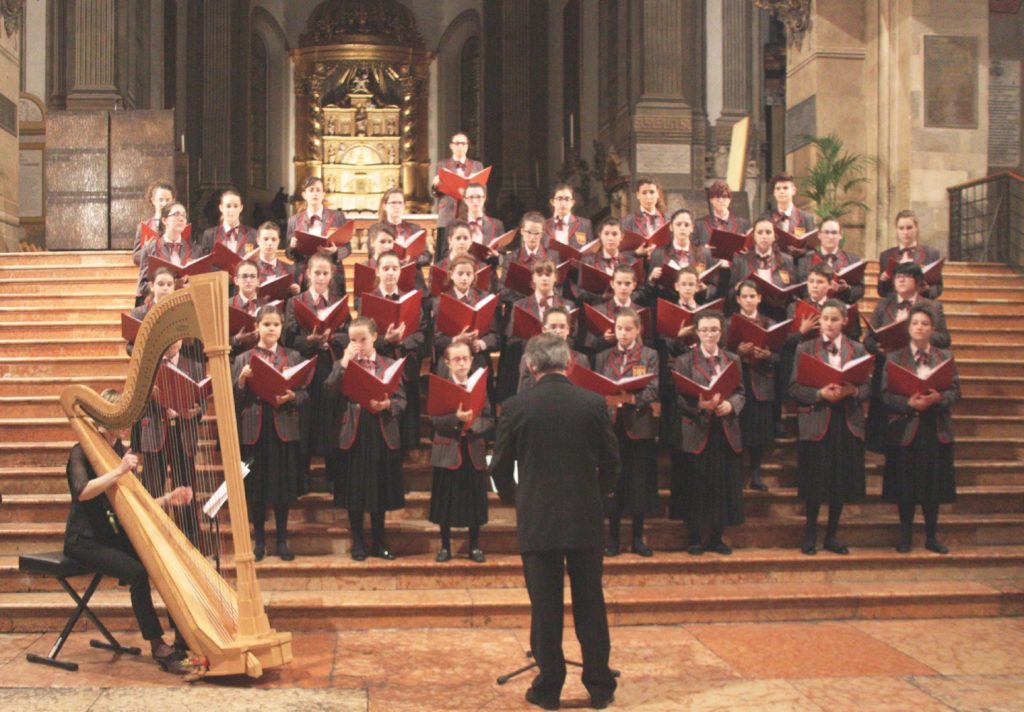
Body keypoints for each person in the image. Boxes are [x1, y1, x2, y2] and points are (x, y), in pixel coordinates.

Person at [491, 334, 619, 710]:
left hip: (539, 519)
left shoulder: (516, 406)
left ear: (531, 366)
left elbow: (499, 467)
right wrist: (599, 496)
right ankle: (599, 686)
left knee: (544, 607)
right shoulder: (593, 403)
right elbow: (612, 463)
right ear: (569, 364)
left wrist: (515, 499)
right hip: (585, 518)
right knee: (590, 603)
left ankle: (548, 689)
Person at [64, 388, 193, 674]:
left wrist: (167, 498)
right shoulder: (81, 451)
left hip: (111, 535)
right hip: (84, 541)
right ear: (104, 417)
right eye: (121, 417)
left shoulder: (119, 450)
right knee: (137, 572)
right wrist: (119, 470)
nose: (127, 424)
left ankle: (185, 635)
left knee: (162, 558)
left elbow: (132, 501)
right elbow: (82, 491)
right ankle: (158, 644)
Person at [788, 299, 869, 556]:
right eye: (825, 319)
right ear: (819, 320)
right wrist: (820, 393)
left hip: (846, 420)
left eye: (835, 319)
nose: (829, 324)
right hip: (817, 418)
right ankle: (810, 533)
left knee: (840, 480)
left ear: (845, 321)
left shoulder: (857, 349)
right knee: (815, 480)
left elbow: (869, 386)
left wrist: (853, 390)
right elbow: (794, 388)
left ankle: (832, 535)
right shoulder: (805, 348)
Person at [881, 304, 960, 554]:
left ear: (932, 329)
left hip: (935, 427)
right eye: (915, 323)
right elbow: (884, 394)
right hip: (907, 426)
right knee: (906, 485)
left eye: (925, 324)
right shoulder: (895, 357)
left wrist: (939, 398)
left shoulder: (945, 356)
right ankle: (905, 536)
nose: (920, 327)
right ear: (908, 327)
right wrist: (907, 402)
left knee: (933, 485)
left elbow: (956, 391)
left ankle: (931, 536)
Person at [326, 316, 407, 561]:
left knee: (378, 489)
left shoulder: (389, 363)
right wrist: (344, 362)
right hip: (354, 431)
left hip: (380, 429)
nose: (358, 344)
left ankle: (379, 541)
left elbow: (402, 400)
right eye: (353, 340)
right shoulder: (343, 363)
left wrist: (387, 404)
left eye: (363, 339)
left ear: (374, 336)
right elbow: (329, 391)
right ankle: (358, 541)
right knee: (356, 491)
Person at [233, 305, 307, 561]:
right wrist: (242, 382)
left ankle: (282, 540)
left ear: (281, 327)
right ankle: (260, 541)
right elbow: (234, 400)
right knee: (256, 489)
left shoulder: (293, 356)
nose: (271, 329)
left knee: (282, 488)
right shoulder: (243, 359)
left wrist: (293, 396)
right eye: (266, 324)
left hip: (283, 427)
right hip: (255, 429)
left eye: (276, 324)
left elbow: (305, 393)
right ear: (257, 327)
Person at [672, 310, 746, 555]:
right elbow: (679, 398)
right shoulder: (684, 360)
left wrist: (731, 405)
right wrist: (698, 407)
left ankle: (717, 537)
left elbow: (741, 392)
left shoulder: (732, 358)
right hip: (698, 427)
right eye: (704, 330)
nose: (709, 334)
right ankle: (694, 537)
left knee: (722, 484)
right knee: (696, 483)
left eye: (714, 329)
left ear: (721, 331)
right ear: (697, 332)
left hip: (724, 428)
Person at [284, 254, 351, 493]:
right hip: (305, 367)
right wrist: (310, 340)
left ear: (331, 276)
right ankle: (303, 477)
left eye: (325, 273)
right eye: (317, 273)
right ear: (308, 274)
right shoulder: (296, 302)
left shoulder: (337, 300)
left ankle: (333, 477)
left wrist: (331, 338)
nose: (321, 277)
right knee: (304, 421)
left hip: (330, 366)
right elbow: (288, 338)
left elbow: (348, 334)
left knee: (331, 420)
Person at [596, 309, 659, 558]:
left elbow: (653, 388)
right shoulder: (603, 356)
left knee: (637, 482)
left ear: (638, 330)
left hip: (637, 424)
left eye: (628, 329)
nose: (623, 334)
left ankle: (637, 538)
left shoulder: (649, 355)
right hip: (611, 426)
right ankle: (613, 537)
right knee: (613, 482)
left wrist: (632, 397)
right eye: (620, 329)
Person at [429, 341, 494, 563]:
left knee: (475, 499)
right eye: (456, 359)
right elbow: (435, 419)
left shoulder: (479, 386)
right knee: (444, 499)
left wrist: (473, 425)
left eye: (465, 358)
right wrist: (456, 420)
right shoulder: (441, 386)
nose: (462, 363)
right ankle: (445, 545)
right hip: (448, 448)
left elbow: (489, 418)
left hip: (472, 447)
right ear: (447, 363)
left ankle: (475, 545)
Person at [732, 281, 778, 492]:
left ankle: (756, 473)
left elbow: (779, 357)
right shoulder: (730, 322)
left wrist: (768, 356)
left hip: (761, 380)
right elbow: (723, 352)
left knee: (758, 433)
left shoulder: (769, 323)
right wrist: (737, 353)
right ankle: (737, 474)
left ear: (759, 298)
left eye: (752, 296)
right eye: (745, 296)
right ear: (738, 299)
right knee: (739, 429)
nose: (749, 300)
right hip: (737, 383)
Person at [285, 176, 349, 295]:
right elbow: (288, 253)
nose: (315, 193)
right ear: (304, 194)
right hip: (304, 275)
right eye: (311, 190)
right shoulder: (293, 220)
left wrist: (335, 251)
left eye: (318, 190)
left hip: (331, 274)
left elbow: (347, 248)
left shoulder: (337, 217)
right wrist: (292, 246)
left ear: (323, 194)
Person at [646, 208, 719, 304]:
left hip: (697, 305)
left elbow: (714, 287)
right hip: (669, 305)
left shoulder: (705, 253)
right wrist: (651, 280)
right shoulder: (658, 254)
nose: (682, 228)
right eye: (678, 224)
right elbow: (649, 291)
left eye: (686, 225)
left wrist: (705, 289)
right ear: (671, 227)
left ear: (692, 228)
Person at [516, 306, 589, 393]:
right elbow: (523, 392)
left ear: (568, 330)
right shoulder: (528, 358)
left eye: (562, 327)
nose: (558, 331)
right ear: (544, 329)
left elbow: (586, 390)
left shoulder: (581, 359)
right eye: (553, 327)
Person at [877, 209, 943, 300]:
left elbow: (938, 288)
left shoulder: (931, 253)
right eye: (901, 228)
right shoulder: (886, 256)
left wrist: (927, 290)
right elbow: (882, 292)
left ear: (916, 228)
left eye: (909, 228)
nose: (905, 233)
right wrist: (883, 280)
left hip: (922, 305)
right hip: (896, 308)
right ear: (896, 230)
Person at [135, 201, 194, 303]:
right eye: (176, 214)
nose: (181, 219)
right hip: (160, 306)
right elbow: (143, 286)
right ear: (164, 220)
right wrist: (169, 287)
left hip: (186, 304)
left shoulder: (193, 249)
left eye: (184, 216)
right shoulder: (150, 248)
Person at [796, 218, 864, 306]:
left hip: (843, 310)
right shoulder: (805, 261)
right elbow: (801, 290)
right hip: (814, 310)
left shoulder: (853, 260)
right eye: (826, 232)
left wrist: (847, 289)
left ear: (840, 235)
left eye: (834, 232)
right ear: (819, 235)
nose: (830, 236)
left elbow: (860, 291)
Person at [132, 180, 176, 304]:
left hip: (171, 285)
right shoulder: (144, 226)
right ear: (153, 200)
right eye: (161, 199)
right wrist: (147, 249)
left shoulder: (179, 226)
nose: (164, 203)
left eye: (168, 200)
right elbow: (135, 257)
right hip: (148, 288)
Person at [199, 188, 257, 258]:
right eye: (228, 206)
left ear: (241, 208)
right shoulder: (210, 235)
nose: (232, 210)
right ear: (221, 208)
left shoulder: (253, 234)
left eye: (235, 206)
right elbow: (206, 263)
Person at [694, 180, 751, 247]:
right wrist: (704, 249)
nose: (721, 200)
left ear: (730, 199)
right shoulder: (700, 224)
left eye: (724, 197)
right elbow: (693, 249)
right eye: (717, 197)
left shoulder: (743, 224)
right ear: (711, 200)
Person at [544, 183, 593, 247]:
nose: (563, 203)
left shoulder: (584, 224)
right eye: (559, 199)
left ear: (572, 202)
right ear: (552, 201)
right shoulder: (544, 226)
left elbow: (591, 253)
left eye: (567, 199)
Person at [767, 172, 816, 237]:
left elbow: (811, 244)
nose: (781, 191)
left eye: (785, 188)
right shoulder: (766, 218)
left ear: (794, 191)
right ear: (774, 193)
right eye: (778, 188)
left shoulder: (806, 218)